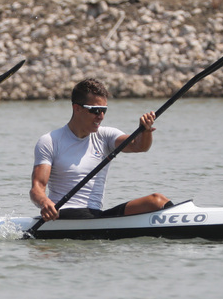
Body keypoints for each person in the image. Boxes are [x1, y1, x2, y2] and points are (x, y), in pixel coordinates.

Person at [30, 78, 170, 221]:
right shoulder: (50, 141)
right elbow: (37, 188)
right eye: (96, 110)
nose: (101, 116)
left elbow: (139, 146)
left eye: (104, 110)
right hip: (61, 215)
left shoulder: (105, 136)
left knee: (156, 201)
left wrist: (145, 131)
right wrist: (44, 202)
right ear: (77, 108)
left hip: (95, 215)